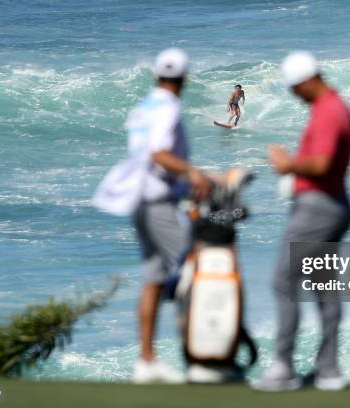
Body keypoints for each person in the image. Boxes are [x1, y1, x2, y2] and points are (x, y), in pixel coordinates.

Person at [252, 51, 350, 391]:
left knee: (284, 282)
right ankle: (328, 370)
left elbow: (323, 164)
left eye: (296, 89)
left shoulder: (328, 111)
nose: (295, 96)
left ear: (308, 81)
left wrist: (288, 165)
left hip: (318, 208)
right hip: (332, 205)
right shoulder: (334, 107)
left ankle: (283, 367)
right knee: (323, 288)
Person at [130, 48, 213, 383]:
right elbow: (160, 153)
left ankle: (146, 361)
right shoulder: (167, 106)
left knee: (154, 279)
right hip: (160, 203)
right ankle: (198, 361)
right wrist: (193, 173)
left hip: (140, 201)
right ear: (185, 78)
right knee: (196, 272)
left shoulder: (144, 107)